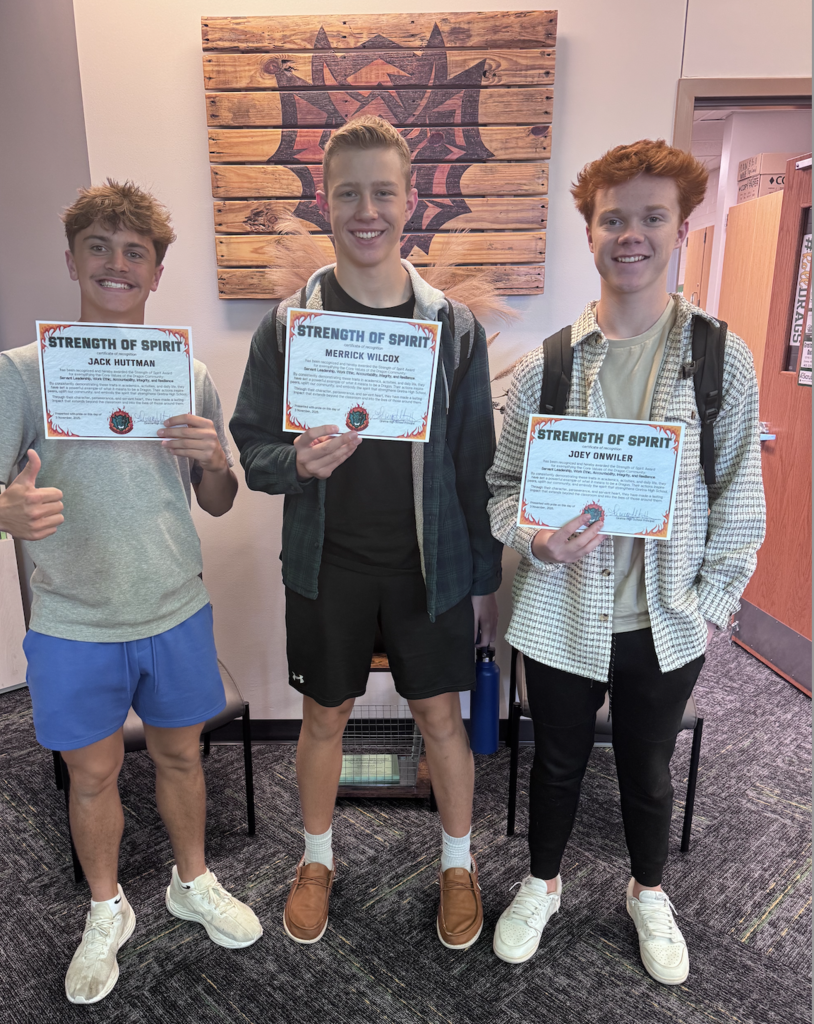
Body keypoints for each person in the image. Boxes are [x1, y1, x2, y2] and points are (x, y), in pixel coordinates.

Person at [0, 180, 262, 1005]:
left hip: (174, 608)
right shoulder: (21, 371)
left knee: (183, 756)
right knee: (92, 775)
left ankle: (192, 882)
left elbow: (216, 500)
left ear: (156, 272)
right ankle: (106, 907)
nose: (117, 264)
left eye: (135, 252)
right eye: (100, 247)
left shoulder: (185, 374)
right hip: (74, 619)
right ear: (73, 258)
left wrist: (215, 459)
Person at [486, 140, 766, 984]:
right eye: (614, 218)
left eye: (651, 217)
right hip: (559, 613)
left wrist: (708, 606)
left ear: (680, 228)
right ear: (590, 230)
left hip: (664, 618)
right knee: (556, 763)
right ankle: (542, 884)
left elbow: (739, 498)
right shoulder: (550, 365)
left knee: (647, 770)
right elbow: (502, 489)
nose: (631, 235)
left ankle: (648, 892)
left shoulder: (722, 356)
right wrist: (536, 539)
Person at [230, 116, 502, 950]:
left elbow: (475, 464)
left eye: (382, 191)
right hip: (328, 565)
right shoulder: (288, 325)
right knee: (324, 719)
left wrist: (482, 583)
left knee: (441, 722)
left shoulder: (452, 327)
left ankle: (457, 866)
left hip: (430, 568)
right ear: (324, 199)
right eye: (348, 192)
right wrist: (296, 465)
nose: (366, 210)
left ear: (410, 199)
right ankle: (317, 861)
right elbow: (250, 446)